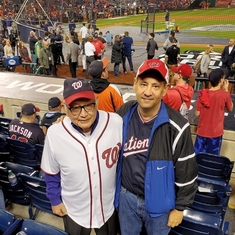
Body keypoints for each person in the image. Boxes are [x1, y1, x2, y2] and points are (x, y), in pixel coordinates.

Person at [114, 58, 198, 235]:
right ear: (135, 85)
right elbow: (99, 130)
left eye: (155, 86)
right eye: (144, 84)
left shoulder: (177, 125)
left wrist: (180, 208)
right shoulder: (123, 113)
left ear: (165, 89)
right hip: (127, 197)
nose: (148, 92)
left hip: (161, 202)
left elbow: (187, 170)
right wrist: (67, 123)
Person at [41, 78, 123, 235]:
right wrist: (54, 199)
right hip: (74, 209)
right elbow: (51, 172)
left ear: (96, 101)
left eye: (88, 105)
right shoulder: (54, 133)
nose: (84, 114)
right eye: (75, 108)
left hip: (108, 205)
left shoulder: (116, 123)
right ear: (65, 108)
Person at [194, 68, 233, 155]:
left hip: (201, 132)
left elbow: (197, 113)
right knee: (212, 160)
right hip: (215, 134)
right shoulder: (224, 95)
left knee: (198, 158)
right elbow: (230, 108)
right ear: (221, 80)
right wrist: (226, 91)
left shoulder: (202, 93)